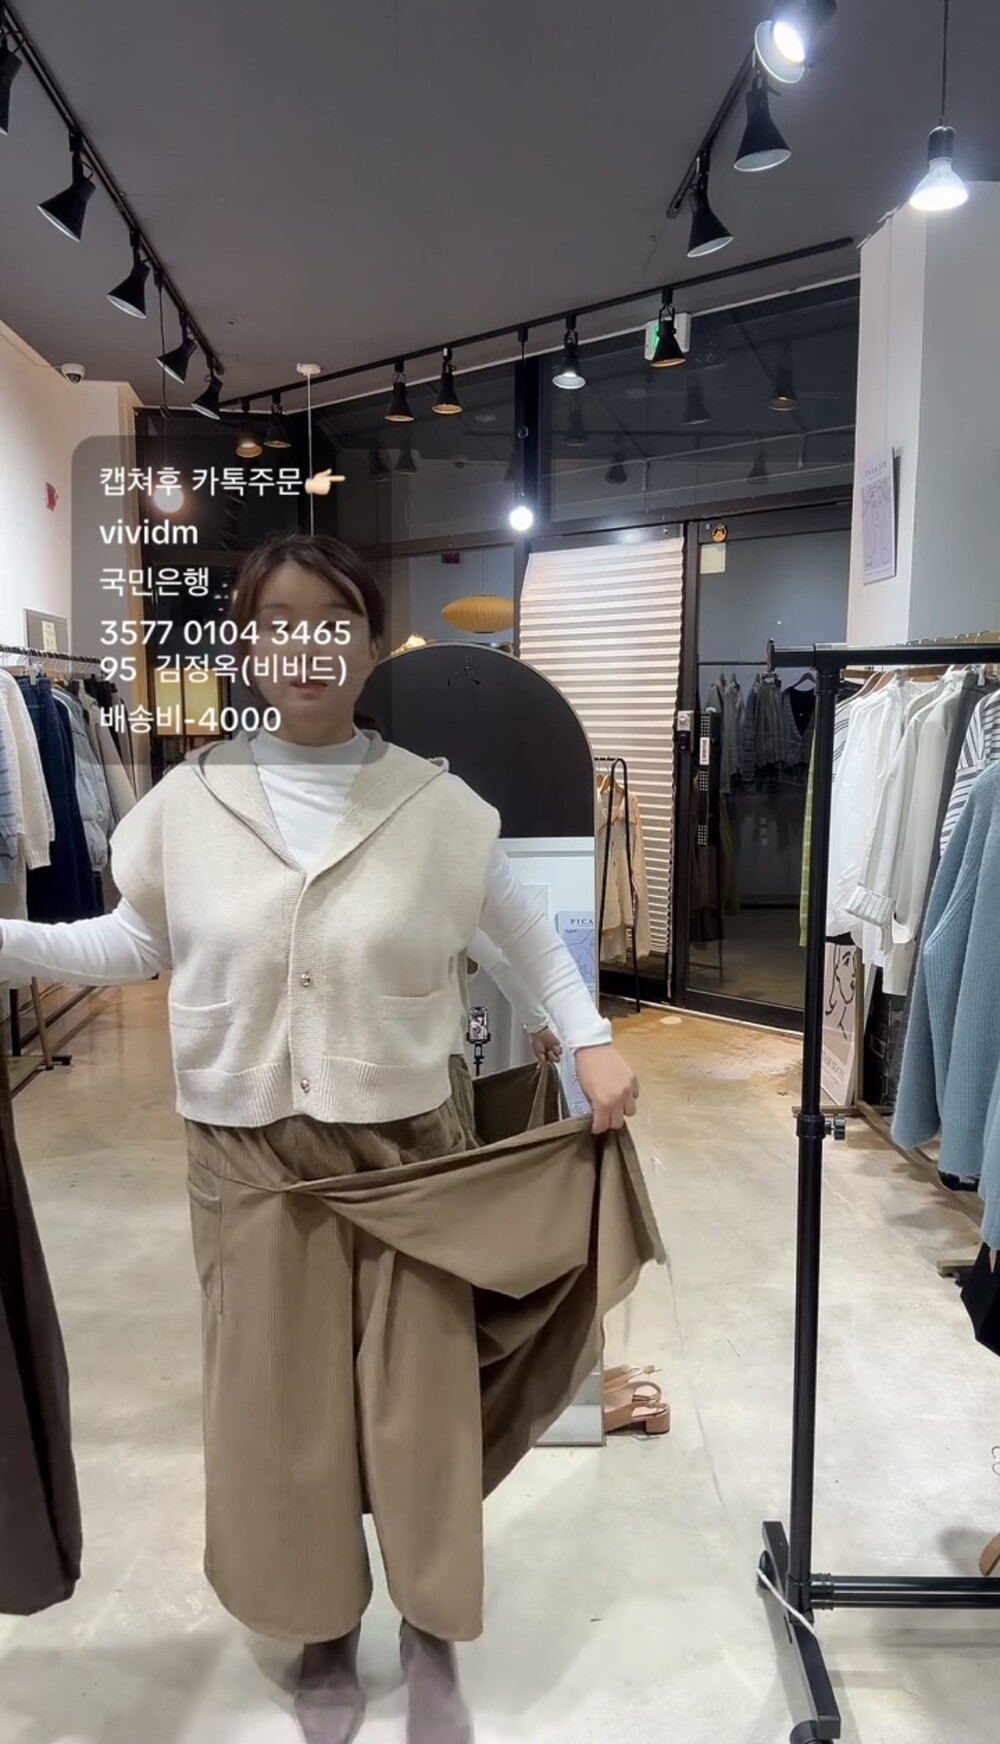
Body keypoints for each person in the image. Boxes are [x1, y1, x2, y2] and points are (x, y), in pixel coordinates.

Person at [0, 533, 640, 1744]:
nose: (305, 644)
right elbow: (132, 944)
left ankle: (433, 1628)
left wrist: (590, 1038)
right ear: (248, 645)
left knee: (419, 1407)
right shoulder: (187, 805)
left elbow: (524, 939)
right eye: (279, 622)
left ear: (369, 640)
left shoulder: (437, 808)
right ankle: (322, 1626)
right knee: (283, 1416)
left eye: (332, 620)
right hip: (247, 1165)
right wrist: (9, 942)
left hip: (410, 1157)